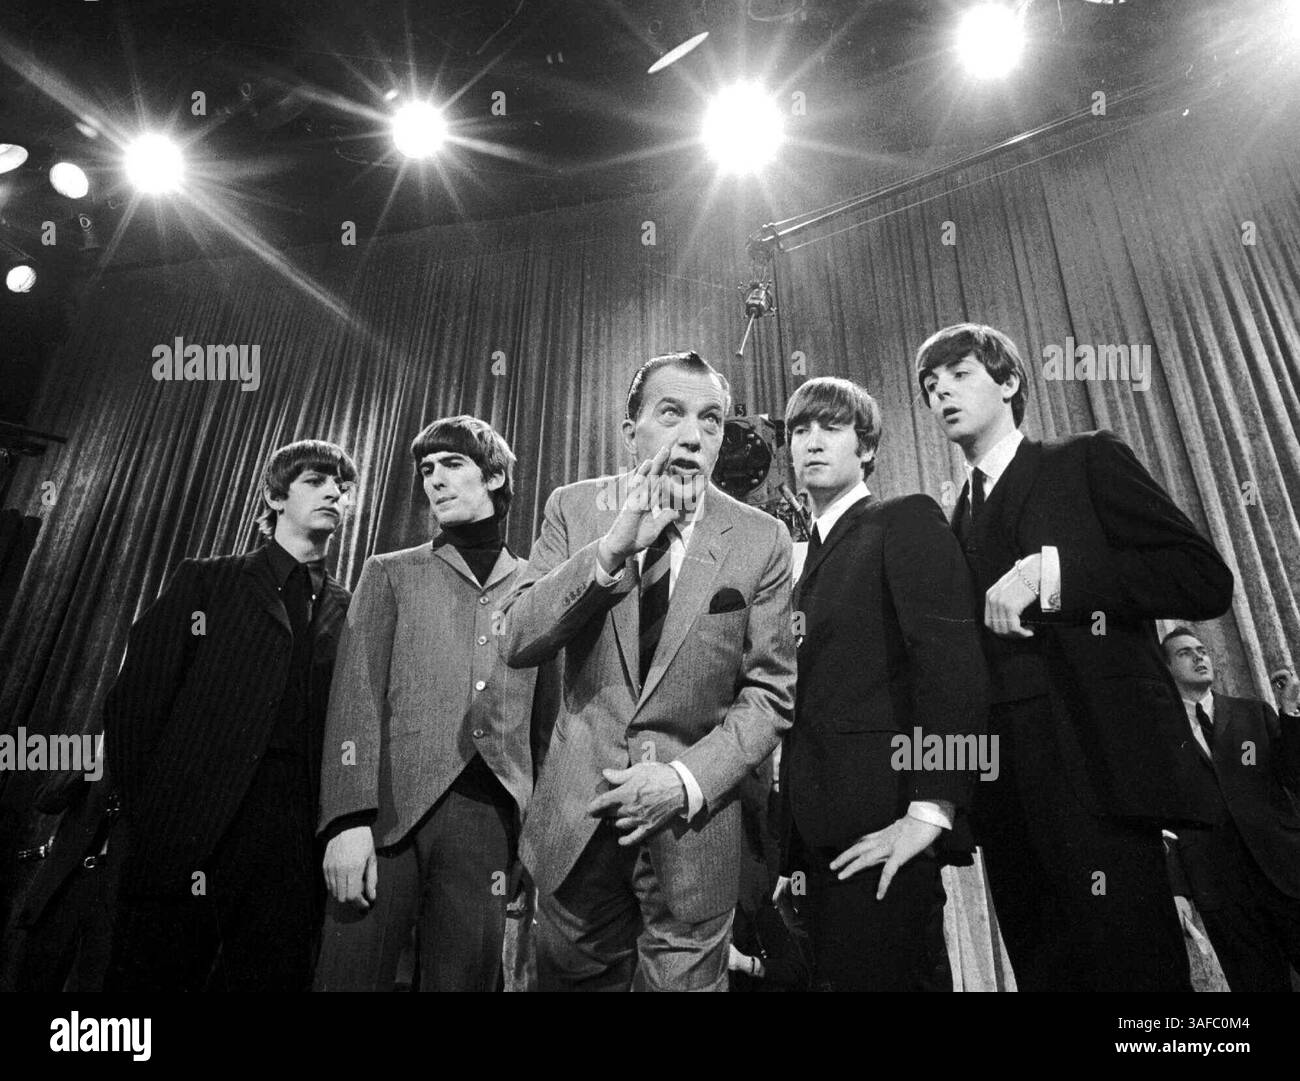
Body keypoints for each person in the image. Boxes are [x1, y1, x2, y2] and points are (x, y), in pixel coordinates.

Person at [915, 322, 1234, 991]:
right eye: (930, 385)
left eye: (960, 373)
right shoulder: (950, 522)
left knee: (1136, 985)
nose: (941, 389)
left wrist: (1054, 575)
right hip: (1004, 797)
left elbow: (1203, 576)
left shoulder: (1085, 459)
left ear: (1009, 382)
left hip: (1098, 775)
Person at [498, 349, 797, 991]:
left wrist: (685, 779)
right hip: (578, 827)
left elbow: (769, 695)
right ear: (630, 428)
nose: (694, 434)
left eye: (712, 420)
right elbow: (517, 638)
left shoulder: (761, 538)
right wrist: (610, 552)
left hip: (693, 829)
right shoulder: (576, 510)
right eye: (672, 414)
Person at [103, 439, 356, 991]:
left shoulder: (351, 607)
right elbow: (135, 702)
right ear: (273, 496)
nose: (334, 492)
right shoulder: (208, 580)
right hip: (186, 826)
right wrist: (151, 809)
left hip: (289, 836)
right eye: (316, 480)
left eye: (342, 485)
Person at [314, 416, 555, 992]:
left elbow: (547, 727)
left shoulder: (539, 587)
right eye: (427, 470)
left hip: (489, 820)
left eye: (452, 465)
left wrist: (535, 842)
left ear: (495, 477)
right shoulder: (391, 572)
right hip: (386, 820)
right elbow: (355, 698)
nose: (435, 481)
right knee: (349, 978)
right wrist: (346, 822)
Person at [778, 376, 988, 991]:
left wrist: (932, 809)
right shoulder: (800, 559)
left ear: (867, 448)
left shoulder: (905, 519)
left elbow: (952, 666)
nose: (811, 441)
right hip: (813, 843)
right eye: (798, 430)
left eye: (830, 427)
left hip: (885, 827)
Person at [1161, 627, 1300, 991]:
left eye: (1202, 650)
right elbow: (1164, 822)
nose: (1199, 657)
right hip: (1223, 890)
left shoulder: (1254, 713)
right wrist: (1177, 889)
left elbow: (1295, 776)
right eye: (1185, 653)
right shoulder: (1158, 737)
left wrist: (1290, 711)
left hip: (1287, 872)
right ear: (1165, 669)